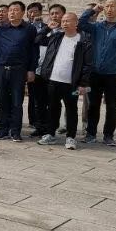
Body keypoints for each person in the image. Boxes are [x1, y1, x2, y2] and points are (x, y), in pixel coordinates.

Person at [79, 0, 116, 146]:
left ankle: (108, 135)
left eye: (113, 6)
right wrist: (92, 10)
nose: (109, 9)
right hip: (95, 73)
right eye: (107, 6)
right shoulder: (96, 27)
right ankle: (90, 134)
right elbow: (81, 23)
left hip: (113, 74)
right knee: (93, 105)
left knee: (111, 106)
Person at [0, 0, 37, 142]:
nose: (12, 12)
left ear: (23, 12)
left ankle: (16, 131)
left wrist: (31, 70)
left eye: (16, 10)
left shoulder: (29, 29)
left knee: (17, 102)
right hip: (2, 68)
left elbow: (33, 50)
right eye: (10, 10)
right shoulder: (1, 28)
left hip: (19, 69)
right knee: (2, 100)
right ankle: (3, 130)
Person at [35, 12, 92, 150]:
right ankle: (50, 134)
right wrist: (47, 28)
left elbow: (87, 64)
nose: (64, 23)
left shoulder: (84, 41)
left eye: (68, 20)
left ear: (76, 23)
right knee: (52, 108)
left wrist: (83, 84)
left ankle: (70, 137)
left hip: (72, 84)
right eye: (63, 21)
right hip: (53, 81)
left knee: (71, 109)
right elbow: (37, 40)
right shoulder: (56, 37)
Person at [29, 4, 64, 137]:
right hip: (41, 72)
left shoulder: (66, 32)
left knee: (54, 103)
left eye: (57, 13)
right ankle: (40, 127)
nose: (55, 16)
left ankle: (51, 128)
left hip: (56, 74)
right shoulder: (46, 29)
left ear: (63, 15)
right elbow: (37, 40)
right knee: (39, 102)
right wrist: (47, 28)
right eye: (52, 13)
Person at [25, 2, 46, 131]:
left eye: (35, 11)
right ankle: (32, 120)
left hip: (43, 66)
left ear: (40, 13)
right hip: (28, 65)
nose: (33, 14)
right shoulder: (24, 26)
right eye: (30, 12)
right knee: (31, 96)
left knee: (41, 96)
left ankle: (41, 121)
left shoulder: (47, 27)